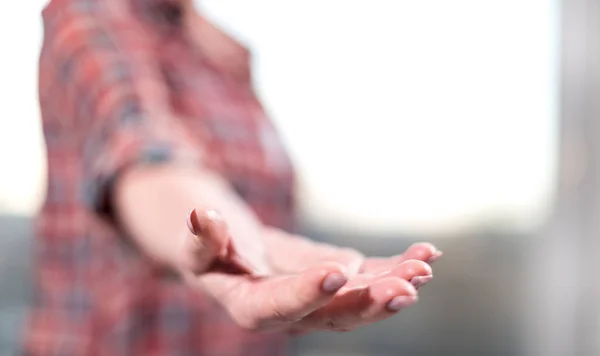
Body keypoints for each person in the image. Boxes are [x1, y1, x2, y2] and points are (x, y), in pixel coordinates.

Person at [24, 0, 443, 354]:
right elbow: (144, 155)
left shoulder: (223, 54)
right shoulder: (88, 17)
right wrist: (217, 235)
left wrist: (270, 260)